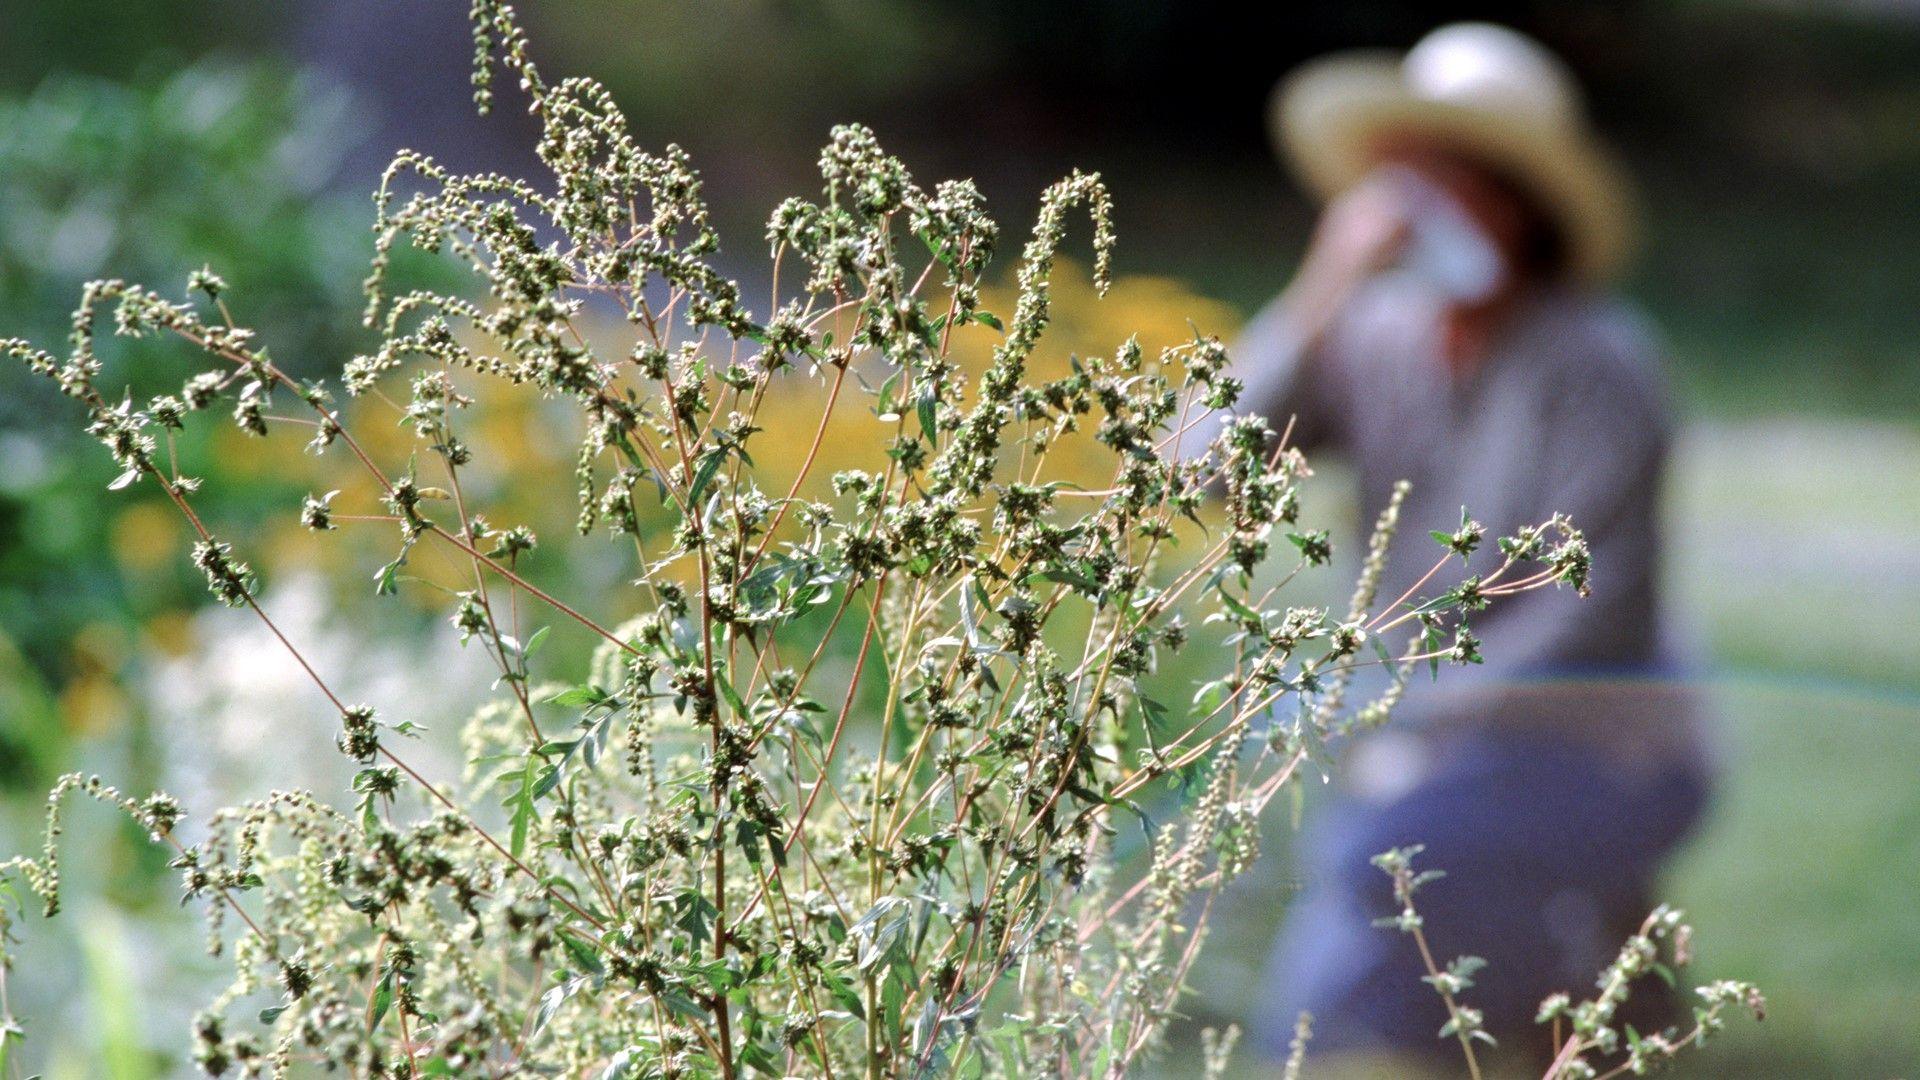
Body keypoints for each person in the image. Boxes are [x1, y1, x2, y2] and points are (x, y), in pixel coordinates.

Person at [1228, 23, 1712, 1072]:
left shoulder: (1601, 364)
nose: (1425, 210)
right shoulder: (1374, 336)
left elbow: (1597, 613)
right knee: (1380, 867)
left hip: (1605, 734)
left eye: (1456, 180)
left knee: (1378, 855)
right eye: (1406, 183)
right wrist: (1320, 292)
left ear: (1519, 203)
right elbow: (1201, 469)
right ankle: (1583, 991)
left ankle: (1306, 1054)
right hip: (1440, 727)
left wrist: (1407, 725)